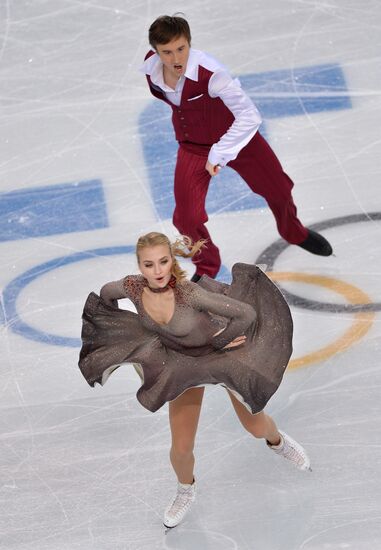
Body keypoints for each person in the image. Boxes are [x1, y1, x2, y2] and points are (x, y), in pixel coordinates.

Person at [78, 231, 311, 529]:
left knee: (254, 425)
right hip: (181, 363)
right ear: (139, 266)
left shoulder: (189, 294)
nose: (158, 270)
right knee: (181, 447)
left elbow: (246, 314)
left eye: (163, 262)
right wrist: (118, 322)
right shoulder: (132, 287)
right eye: (149, 265)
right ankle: (185, 490)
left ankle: (277, 442)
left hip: (222, 357)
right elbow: (106, 292)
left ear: (171, 261)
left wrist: (221, 341)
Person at [140, 15, 333, 281]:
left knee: (278, 189)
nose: (176, 58)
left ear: (189, 43)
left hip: (239, 140)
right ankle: (207, 266)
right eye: (167, 52)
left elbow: (249, 115)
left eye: (181, 48)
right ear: (156, 51)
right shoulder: (151, 71)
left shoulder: (212, 74)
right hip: (193, 146)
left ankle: (293, 232)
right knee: (186, 219)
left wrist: (221, 151)